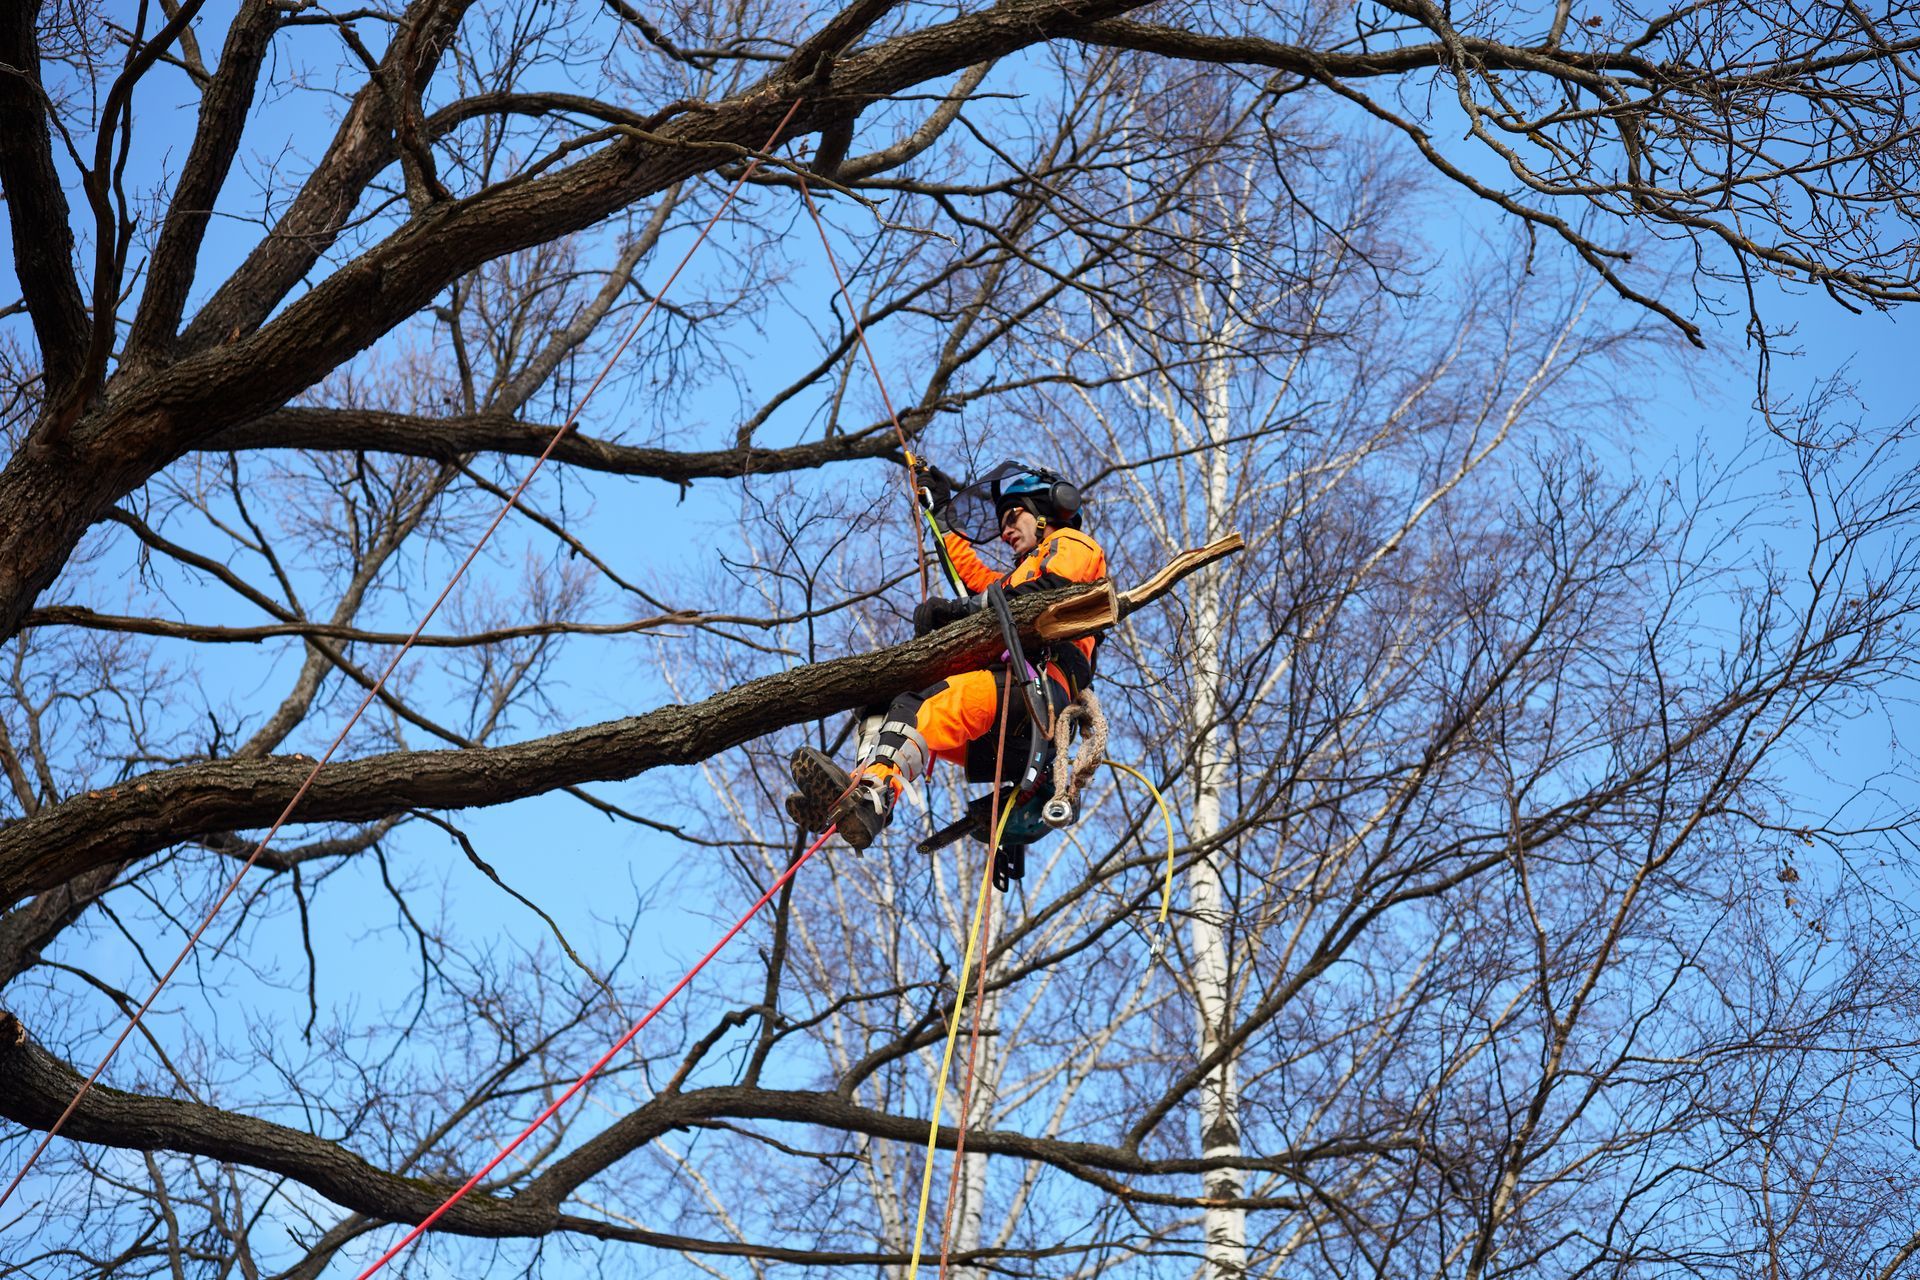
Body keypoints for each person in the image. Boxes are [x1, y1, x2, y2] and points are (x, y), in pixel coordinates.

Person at [786, 461, 1107, 849]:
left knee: (925, 704)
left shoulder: (1073, 546)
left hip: (1035, 691)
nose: (1005, 532)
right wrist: (939, 509)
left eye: (1012, 516)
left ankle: (871, 792)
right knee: (888, 704)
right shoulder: (1018, 576)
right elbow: (971, 577)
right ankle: (865, 792)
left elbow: (1049, 592)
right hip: (999, 715)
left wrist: (962, 611)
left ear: (1049, 508)